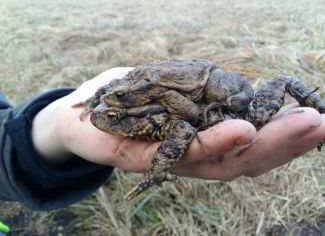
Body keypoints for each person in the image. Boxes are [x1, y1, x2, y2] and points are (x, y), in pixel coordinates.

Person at [0, 67, 324, 211]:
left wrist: (159, 165)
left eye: (112, 117)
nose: (103, 118)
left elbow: (182, 127)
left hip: (227, 114)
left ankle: (321, 111)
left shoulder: (159, 116)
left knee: (270, 99)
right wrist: (57, 122)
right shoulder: (136, 97)